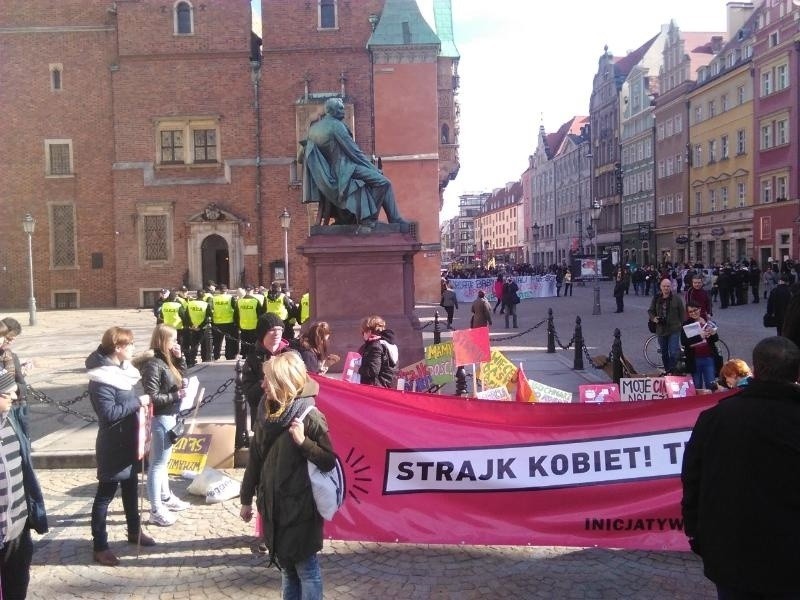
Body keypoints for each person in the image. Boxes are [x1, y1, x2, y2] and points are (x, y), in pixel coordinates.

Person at [681, 336, 800, 598]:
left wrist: (697, 534)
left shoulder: (716, 418)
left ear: (755, 371)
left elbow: (691, 479)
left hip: (732, 555)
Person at [240, 352, 335, 599]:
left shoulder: (310, 416)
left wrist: (303, 442)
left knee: (307, 570)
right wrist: (246, 499)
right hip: (273, 507)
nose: (262, 385)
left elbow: (328, 461)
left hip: (300, 510)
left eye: (267, 380)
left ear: (283, 383)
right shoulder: (265, 412)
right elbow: (255, 459)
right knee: (287, 571)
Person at [86, 326, 155, 566]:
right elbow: (109, 414)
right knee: (105, 496)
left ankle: (134, 531)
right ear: (118, 348)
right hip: (113, 444)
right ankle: (100, 545)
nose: (134, 348)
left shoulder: (124, 371)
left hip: (130, 441)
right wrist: (138, 402)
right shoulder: (101, 378)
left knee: (130, 489)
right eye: (131, 344)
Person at [301, 96, 406, 227]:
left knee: (372, 182)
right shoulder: (336, 126)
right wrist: (374, 169)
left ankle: (363, 218)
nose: (343, 111)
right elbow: (354, 152)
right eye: (340, 109)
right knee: (383, 182)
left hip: (325, 177)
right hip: (343, 170)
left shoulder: (313, 130)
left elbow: (303, 155)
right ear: (332, 110)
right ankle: (371, 219)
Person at [0, 367, 48, 599]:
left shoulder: (12, 422)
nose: (15, 397)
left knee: (17, 589)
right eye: (6, 394)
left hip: (18, 530)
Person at [138, 324, 191, 527]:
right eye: (173, 339)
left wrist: (180, 358)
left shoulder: (167, 360)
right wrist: (176, 395)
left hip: (171, 415)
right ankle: (155, 508)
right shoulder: (153, 363)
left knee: (164, 462)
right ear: (162, 340)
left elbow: (179, 377)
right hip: (161, 418)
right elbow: (152, 396)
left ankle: (166, 497)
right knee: (157, 465)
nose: (175, 343)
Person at [240, 314, 291, 444]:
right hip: (262, 422)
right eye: (272, 329)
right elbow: (250, 394)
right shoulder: (253, 359)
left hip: (288, 420)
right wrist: (268, 381)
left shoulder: (290, 355)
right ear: (263, 333)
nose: (277, 333)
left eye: (280, 329)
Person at [1, 317, 32, 438]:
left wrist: (14, 387)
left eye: (12, 340)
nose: (9, 342)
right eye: (8, 338)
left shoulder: (12, 357)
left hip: (14, 410)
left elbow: (23, 387)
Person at [680, 302, 721, 391]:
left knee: (711, 385)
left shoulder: (707, 321)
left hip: (708, 357)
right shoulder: (686, 324)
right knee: (697, 386)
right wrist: (700, 337)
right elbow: (684, 342)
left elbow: (715, 339)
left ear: (700, 309)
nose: (693, 313)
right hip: (694, 359)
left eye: (695, 310)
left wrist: (714, 334)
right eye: (690, 312)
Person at [648, 278, 685, 374]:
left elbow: (682, 313)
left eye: (668, 286)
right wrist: (654, 318)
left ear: (671, 287)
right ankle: (668, 370)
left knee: (673, 353)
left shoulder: (677, 299)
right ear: (661, 287)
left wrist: (682, 325)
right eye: (664, 286)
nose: (666, 288)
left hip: (674, 329)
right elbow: (650, 311)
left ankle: (674, 370)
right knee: (664, 352)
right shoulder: (656, 298)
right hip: (661, 329)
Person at [358, 315, 398, 388]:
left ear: (369, 332)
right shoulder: (387, 343)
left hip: (376, 388)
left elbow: (373, 371)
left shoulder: (375, 346)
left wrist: (358, 369)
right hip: (387, 386)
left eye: (363, 332)